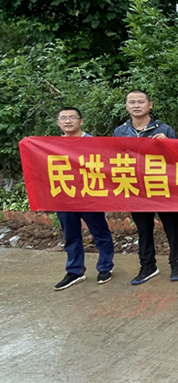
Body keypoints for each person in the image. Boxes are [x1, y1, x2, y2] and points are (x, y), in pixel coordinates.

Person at [113, 90, 178, 285]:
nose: (136, 105)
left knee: (172, 227)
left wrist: (168, 144)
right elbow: (114, 159)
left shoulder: (164, 129)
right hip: (137, 189)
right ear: (126, 106)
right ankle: (148, 266)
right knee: (143, 229)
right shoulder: (120, 132)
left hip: (163, 186)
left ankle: (177, 263)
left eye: (140, 102)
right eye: (132, 102)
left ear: (150, 105)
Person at [53, 107, 115, 291]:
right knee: (70, 235)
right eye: (63, 118)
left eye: (72, 117)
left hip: (90, 195)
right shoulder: (51, 146)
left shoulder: (94, 143)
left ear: (81, 121)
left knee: (100, 232)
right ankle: (75, 271)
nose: (68, 121)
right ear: (58, 123)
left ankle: (105, 266)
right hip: (64, 196)